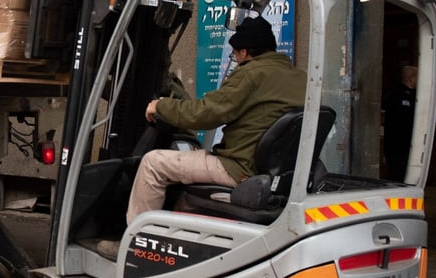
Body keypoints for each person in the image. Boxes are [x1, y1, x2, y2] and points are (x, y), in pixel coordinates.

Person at [122, 15, 307, 223]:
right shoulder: (299, 78)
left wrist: (161, 106)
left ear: (245, 52)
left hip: (239, 168)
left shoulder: (251, 74)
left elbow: (207, 113)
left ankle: (137, 241)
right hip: (274, 171)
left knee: (152, 163)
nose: (235, 59)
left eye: (235, 54)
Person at [382, 65, 418, 182]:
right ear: (411, 78)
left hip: (411, 146)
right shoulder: (395, 95)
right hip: (397, 147)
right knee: (397, 177)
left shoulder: (417, 96)